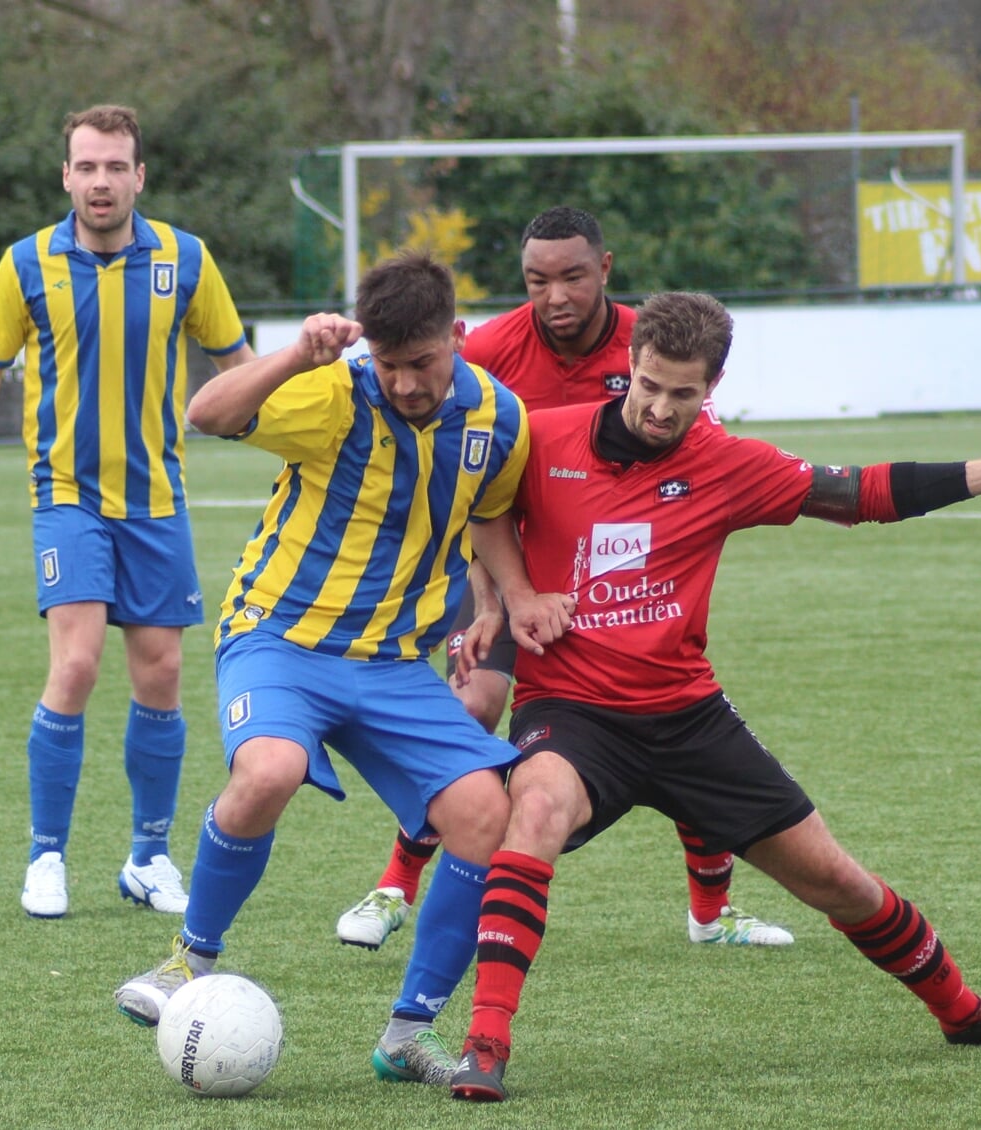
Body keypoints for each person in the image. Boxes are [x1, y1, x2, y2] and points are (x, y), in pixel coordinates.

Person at [445, 291, 981, 1101]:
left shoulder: (725, 463)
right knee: (531, 816)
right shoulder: (546, 437)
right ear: (631, 368)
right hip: (573, 712)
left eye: (684, 394)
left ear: (711, 388)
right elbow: (483, 509)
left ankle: (963, 1011)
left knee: (838, 882)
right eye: (649, 384)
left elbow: (861, 495)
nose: (660, 407)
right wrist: (502, 599)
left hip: (687, 717)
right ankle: (484, 1046)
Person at [113, 253, 528, 1086]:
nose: (406, 383)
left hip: (394, 663)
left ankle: (408, 1035)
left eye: (422, 362)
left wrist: (502, 601)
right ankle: (187, 961)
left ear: (457, 335)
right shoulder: (333, 392)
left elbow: (487, 518)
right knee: (270, 769)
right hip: (280, 640)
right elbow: (206, 412)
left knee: (486, 812)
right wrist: (297, 356)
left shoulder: (498, 419)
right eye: (389, 362)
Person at [336, 208, 787, 952]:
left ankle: (711, 913)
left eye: (572, 277)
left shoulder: (652, 347)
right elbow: (465, 474)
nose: (555, 296)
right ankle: (395, 885)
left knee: (670, 709)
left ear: (604, 270)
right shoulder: (487, 350)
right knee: (473, 703)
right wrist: (491, 597)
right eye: (537, 280)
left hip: (616, 577)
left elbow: (702, 451)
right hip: (504, 566)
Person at [0, 105, 254, 919]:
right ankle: (46, 856)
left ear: (139, 176)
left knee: (163, 674)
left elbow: (238, 368)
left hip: (157, 502)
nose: (101, 181)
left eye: (116, 166)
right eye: (87, 166)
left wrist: (305, 434)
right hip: (66, 497)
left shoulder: (185, 258)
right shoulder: (26, 264)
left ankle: (148, 857)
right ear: (65, 175)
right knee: (74, 666)